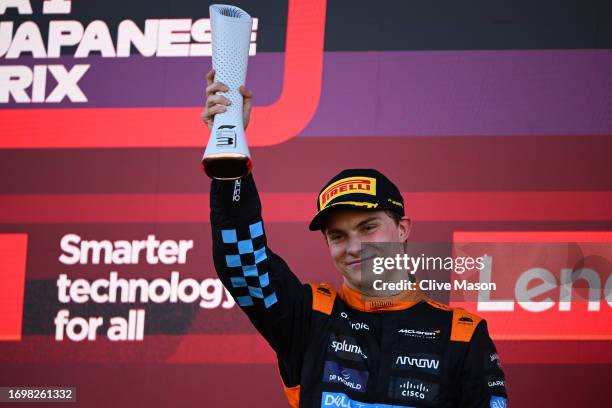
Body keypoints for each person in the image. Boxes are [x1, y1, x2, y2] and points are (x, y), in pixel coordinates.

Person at [202, 69, 508, 408]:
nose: (354, 247)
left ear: (403, 229)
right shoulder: (311, 318)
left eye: (368, 227)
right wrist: (228, 147)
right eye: (338, 235)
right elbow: (242, 264)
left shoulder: (461, 334)